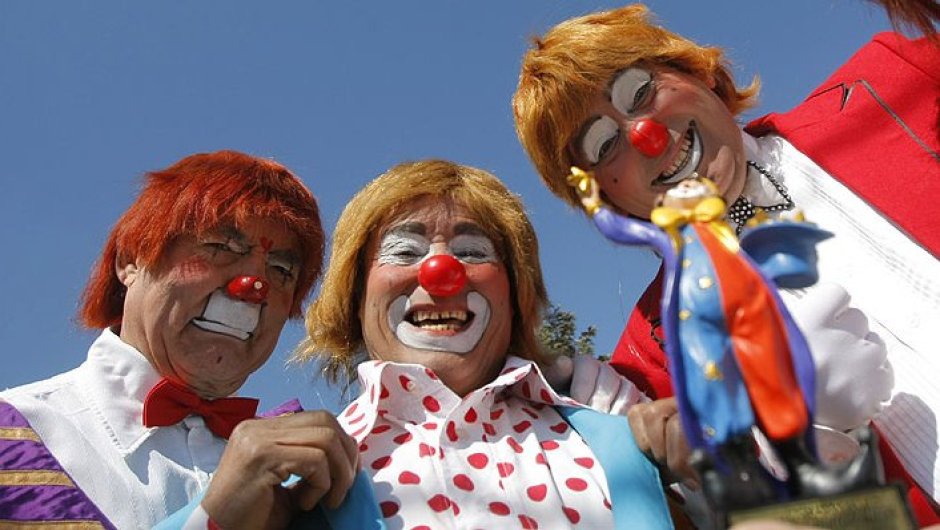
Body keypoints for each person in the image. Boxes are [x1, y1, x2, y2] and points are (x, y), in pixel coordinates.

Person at [512, 3, 939, 525]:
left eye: (640, 92)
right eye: (603, 145)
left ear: (701, 73)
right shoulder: (650, 368)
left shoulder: (895, 80)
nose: (645, 134)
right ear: (605, 198)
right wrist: (819, 444)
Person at [292, 159, 675, 529]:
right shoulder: (302, 481)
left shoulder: (616, 434)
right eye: (405, 252)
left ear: (515, 295)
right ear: (355, 296)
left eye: (472, 253)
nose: (441, 272)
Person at [0, 150, 358, 528]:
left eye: (281, 269)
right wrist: (211, 520)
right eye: (220, 247)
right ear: (131, 260)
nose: (254, 286)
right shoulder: (11, 440)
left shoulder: (311, 473)